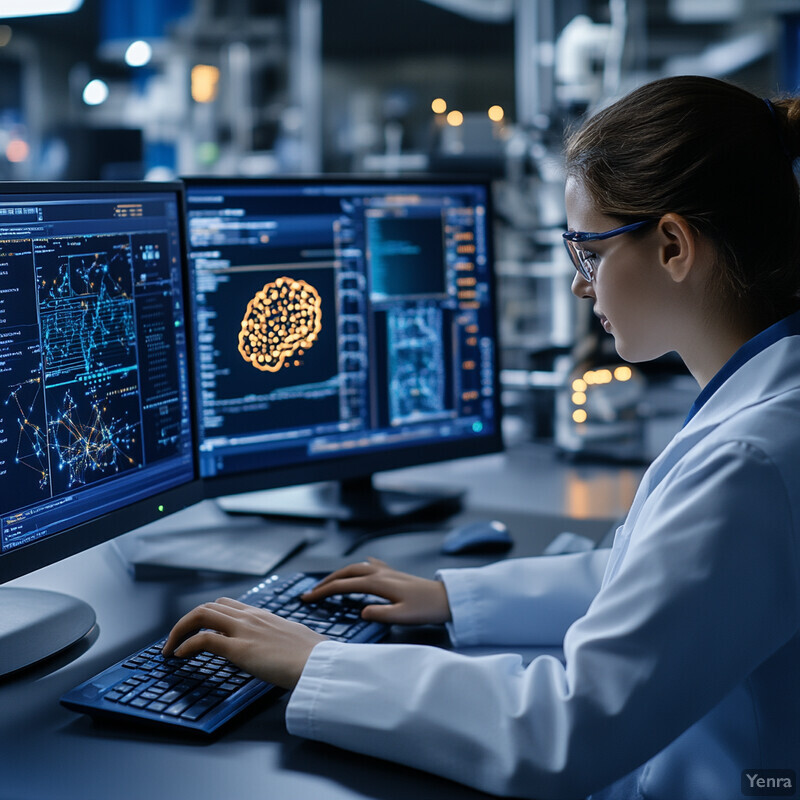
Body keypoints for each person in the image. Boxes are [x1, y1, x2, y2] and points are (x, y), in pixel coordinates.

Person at [163, 75, 800, 799]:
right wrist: (452, 597)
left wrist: (318, 663)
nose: (580, 287)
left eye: (587, 252)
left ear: (674, 246)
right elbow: (650, 582)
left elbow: (567, 731)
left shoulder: (748, 459)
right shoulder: (763, 411)